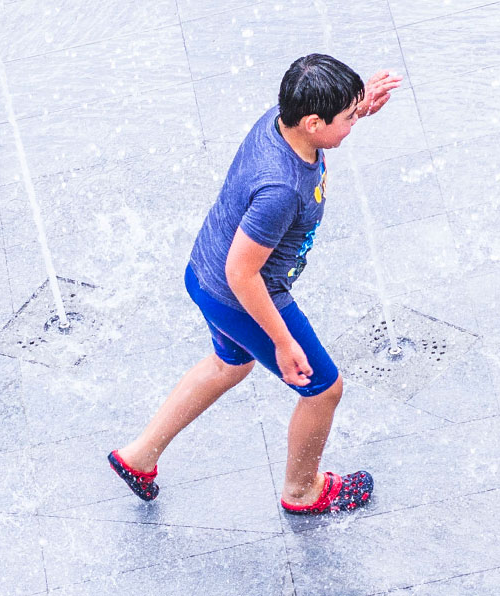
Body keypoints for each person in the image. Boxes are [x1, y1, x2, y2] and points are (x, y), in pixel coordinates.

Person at [108, 53, 402, 515]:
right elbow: (242, 273)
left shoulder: (281, 119)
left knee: (230, 365)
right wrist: (283, 342)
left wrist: (357, 104)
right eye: (347, 117)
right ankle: (302, 491)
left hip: (203, 275)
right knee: (324, 390)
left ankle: (138, 456)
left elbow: (319, 118)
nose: (353, 124)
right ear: (312, 122)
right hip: (239, 294)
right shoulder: (280, 189)